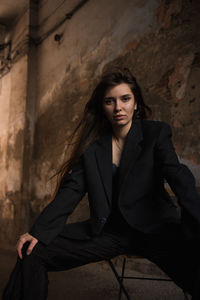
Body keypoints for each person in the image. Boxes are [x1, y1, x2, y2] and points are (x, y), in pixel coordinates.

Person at [2, 68, 200, 300]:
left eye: (125, 99)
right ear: (102, 107)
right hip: (110, 233)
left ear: (136, 103)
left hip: (155, 230)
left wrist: (196, 222)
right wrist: (38, 231)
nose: (118, 108)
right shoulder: (94, 148)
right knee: (32, 251)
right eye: (110, 101)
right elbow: (72, 190)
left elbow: (177, 175)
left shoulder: (155, 133)